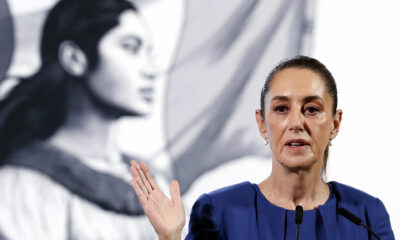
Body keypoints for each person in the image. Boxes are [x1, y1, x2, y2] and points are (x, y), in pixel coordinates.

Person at [130, 56, 395, 239]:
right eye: (281, 109)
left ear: (335, 124)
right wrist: (171, 237)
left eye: (312, 109)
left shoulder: (366, 215)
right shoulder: (218, 212)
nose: (296, 123)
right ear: (262, 123)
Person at [0, 0, 159, 239]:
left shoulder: (157, 181)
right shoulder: (21, 188)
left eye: (148, 52)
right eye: (130, 48)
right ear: (74, 58)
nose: (151, 69)